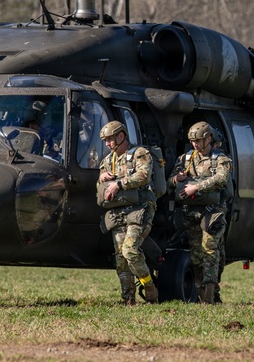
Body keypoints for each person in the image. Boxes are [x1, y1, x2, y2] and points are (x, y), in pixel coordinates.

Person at [97, 120, 159, 305]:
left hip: (140, 209)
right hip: (118, 212)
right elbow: (101, 188)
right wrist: (101, 178)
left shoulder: (140, 154)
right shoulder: (107, 161)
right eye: (105, 141)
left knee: (130, 250)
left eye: (110, 139)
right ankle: (128, 300)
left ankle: (149, 288)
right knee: (120, 258)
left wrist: (119, 183)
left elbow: (143, 175)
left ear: (121, 136)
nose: (108, 144)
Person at [172, 121, 233, 304]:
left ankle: (208, 295)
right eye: (192, 141)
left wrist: (197, 187)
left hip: (213, 212)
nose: (195, 144)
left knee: (210, 250)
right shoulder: (185, 159)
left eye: (198, 140)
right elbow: (169, 182)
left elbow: (222, 178)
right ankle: (204, 292)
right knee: (197, 254)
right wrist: (177, 179)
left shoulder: (220, 159)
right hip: (192, 213)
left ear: (208, 138)